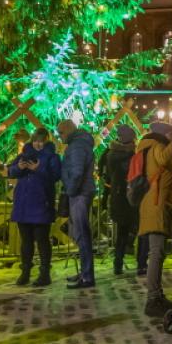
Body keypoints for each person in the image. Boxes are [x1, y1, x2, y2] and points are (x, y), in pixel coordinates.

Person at [138, 120, 172, 316]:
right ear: (165, 134)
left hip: (154, 203)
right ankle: (153, 299)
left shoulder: (147, 146)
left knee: (157, 253)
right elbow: (164, 159)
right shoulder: (157, 146)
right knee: (156, 253)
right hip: (156, 204)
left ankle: (156, 296)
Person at [8, 127, 61, 286]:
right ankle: (25, 272)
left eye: (41, 141)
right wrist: (20, 168)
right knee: (26, 241)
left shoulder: (52, 157)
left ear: (46, 141)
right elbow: (10, 171)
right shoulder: (24, 154)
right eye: (36, 141)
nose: (38, 144)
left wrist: (38, 169)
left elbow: (56, 176)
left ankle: (44, 273)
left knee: (42, 240)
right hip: (23, 203)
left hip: (41, 202)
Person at [59, 118, 98, 289]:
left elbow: (76, 172)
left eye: (60, 133)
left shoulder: (77, 146)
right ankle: (85, 272)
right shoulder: (80, 144)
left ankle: (87, 276)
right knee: (80, 233)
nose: (59, 136)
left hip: (79, 193)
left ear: (68, 130)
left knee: (81, 234)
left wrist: (70, 191)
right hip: (81, 192)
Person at [97, 124, 139, 275]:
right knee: (133, 227)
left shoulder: (109, 153)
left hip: (115, 194)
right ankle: (136, 260)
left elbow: (103, 172)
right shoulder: (129, 156)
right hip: (129, 196)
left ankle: (118, 263)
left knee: (122, 230)